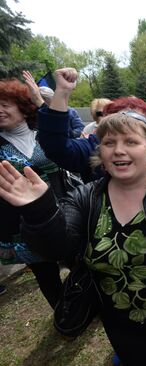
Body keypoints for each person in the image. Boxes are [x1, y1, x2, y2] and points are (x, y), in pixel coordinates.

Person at [0, 110, 146, 365]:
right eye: (109, 142)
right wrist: (40, 211)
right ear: (100, 151)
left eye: (131, 141)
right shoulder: (85, 197)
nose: (119, 150)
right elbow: (59, 248)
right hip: (119, 318)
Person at [34, 68, 146, 183]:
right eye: (118, 120)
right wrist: (62, 92)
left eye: (132, 141)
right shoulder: (94, 147)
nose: (119, 151)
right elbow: (56, 147)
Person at [0, 78, 64, 309]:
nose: (0, 110)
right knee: (47, 275)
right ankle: (64, 315)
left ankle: (87, 304)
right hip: (25, 224)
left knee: (79, 262)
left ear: (22, 105)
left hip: (63, 210)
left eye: (5, 104)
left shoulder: (44, 134)